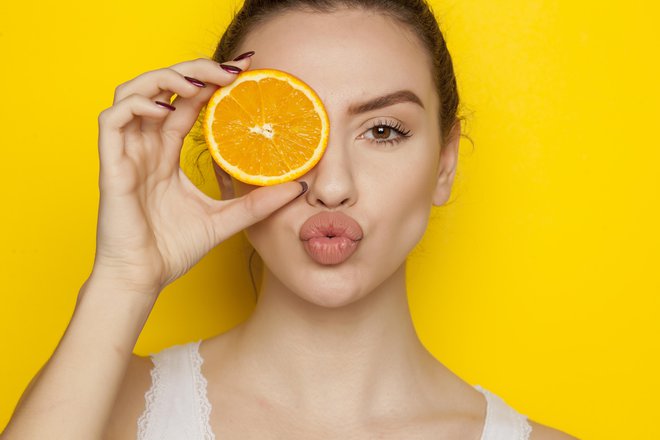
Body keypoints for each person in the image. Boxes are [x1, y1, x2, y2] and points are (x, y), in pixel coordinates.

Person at [1, 0, 578, 439]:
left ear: (445, 163)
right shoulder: (106, 414)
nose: (331, 187)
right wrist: (123, 278)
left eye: (383, 130)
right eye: (276, 132)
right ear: (230, 163)